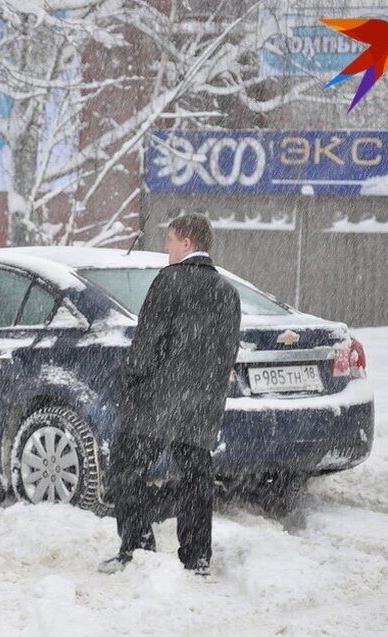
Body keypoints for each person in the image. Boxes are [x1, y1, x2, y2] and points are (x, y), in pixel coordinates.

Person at [99, 213, 241, 576]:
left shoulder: (169, 281)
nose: (166, 248)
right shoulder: (228, 292)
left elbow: (147, 344)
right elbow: (226, 353)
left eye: (171, 241)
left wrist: (131, 382)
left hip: (156, 401)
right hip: (202, 404)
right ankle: (196, 557)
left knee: (126, 470)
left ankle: (137, 547)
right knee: (196, 478)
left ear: (187, 243)